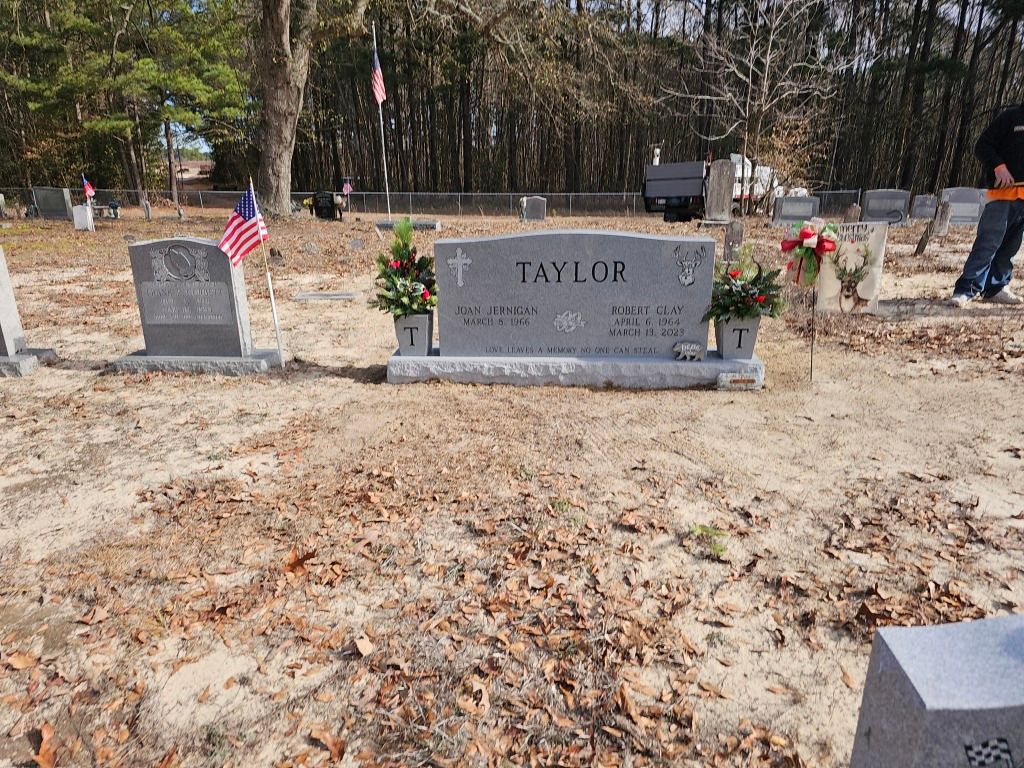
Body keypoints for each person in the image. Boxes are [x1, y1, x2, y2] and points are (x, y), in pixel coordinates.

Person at [951, 104, 1024, 307]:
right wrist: (999, 167)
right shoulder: (1011, 117)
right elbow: (982, 146)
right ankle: (966, 288)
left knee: (1010, 247)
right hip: (1003, 194)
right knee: (988, 242)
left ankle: (996, 288)